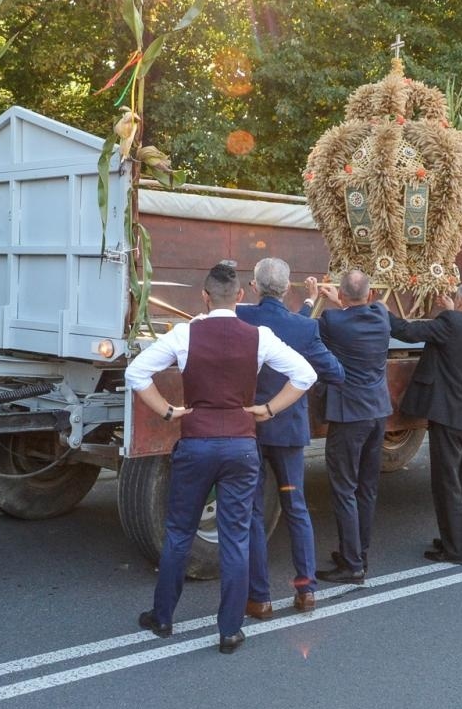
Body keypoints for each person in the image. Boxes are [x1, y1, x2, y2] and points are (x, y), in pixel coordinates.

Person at [126, 262, 317, 654]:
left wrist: (166, 411)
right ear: (240, 297)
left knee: (179, 532)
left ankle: (163, 618)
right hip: (241, 446)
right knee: (235, 536)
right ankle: (229, 630)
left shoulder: (184, 334)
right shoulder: (259, 336)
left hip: (196, 443)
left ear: (204, 296)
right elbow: (305, 375)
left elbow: (135, 373)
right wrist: (268, 409)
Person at [234, 258, 344, 616]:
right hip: (289, 429)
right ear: (287, 289)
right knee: (296, 508)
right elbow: (334, 373)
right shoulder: (304, 329)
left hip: (248, 427)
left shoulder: (241, 318)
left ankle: (260, 597)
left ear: (254, 287)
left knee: (252, 512)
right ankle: (306, 590)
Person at [388, 281, 462, 565]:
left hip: (449, 417)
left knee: (446, 483)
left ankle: (456, 550)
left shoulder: (449, 322)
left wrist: (379, 310)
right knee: (460, 481)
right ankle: (453, 538)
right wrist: (455, 310)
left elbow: (406, 331)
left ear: (459, 303)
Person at [311, 269, 393, 585]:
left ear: (342, 296)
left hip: (349, 416)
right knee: (367, 488)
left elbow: (312, 332)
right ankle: (360, 552)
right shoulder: (381, 317)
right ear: (370, 295)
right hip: (378, 412)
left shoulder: (332, 321)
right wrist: (345, 303)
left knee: (344, 488)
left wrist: (330, 302)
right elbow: (365, 307)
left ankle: (351, 565)